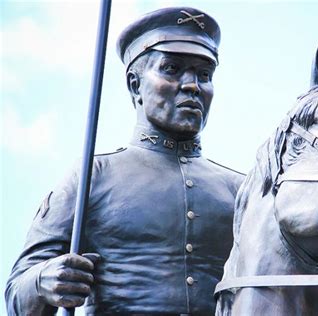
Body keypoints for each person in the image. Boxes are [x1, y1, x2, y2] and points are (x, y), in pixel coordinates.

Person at [5, 7, 244, 315]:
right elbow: (16, 297)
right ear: (135, 84)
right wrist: (42, 280)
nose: (192, 85)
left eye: (204, 75)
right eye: (171, 69)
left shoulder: (242, 190)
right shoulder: (94, 174)